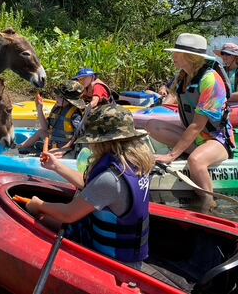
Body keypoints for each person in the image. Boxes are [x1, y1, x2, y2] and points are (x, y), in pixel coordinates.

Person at [25, 104, 155, 270]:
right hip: (128, 255)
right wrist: (56, 166)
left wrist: (38, 205)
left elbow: (68, 214)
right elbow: (92, 188)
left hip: (115, 264)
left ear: (102, 142)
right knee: (50, 219)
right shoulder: (136, 163)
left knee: (42, 219)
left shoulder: (111, 178)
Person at [145, 33, 235, 209]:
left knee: (196, 161)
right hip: (195, 138)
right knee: (151, 125)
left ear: (190, 58)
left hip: (215, 138)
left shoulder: (210, 79)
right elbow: (172, 94)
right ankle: (190, 150)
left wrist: (172, 155)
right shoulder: (183, 76)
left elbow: (197, 125)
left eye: (176, 54)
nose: (173, 57)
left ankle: (209, 202)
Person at [18, 80, 85, 156]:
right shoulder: (57, 108)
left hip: (64, 147)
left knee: (44, 154)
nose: (56, 97)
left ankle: (39, 152)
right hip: (53, 142)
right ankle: (20, 147)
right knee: (41, 132)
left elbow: (78, 136)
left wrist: (64, 149)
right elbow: (45, 128)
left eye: (59, 96)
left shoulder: (75, 114)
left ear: (68, 100)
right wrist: (39, 109)